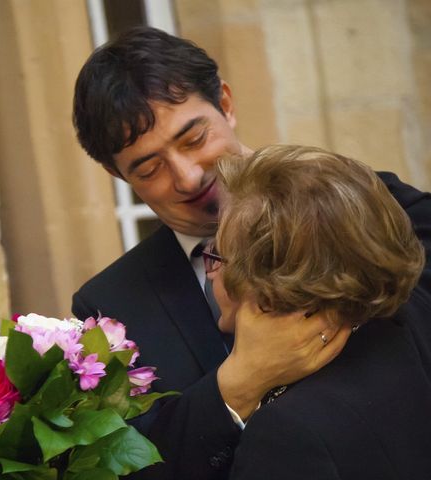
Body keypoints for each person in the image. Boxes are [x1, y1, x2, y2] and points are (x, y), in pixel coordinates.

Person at [70, 26, 431, 479]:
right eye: (150, 168)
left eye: (194, 139)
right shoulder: (110, 306)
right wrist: (236, 385)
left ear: (225, 103)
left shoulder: (373, 202)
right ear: (118, 175)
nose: (186, 177)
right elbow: (133, 464)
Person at [206, 144, 431, 479]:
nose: (210, 272)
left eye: (218, 257)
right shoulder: (412, 315)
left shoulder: (286, 434)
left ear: (266, 289)